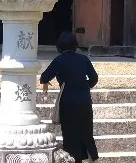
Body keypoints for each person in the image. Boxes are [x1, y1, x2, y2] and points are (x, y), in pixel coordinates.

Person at [40, 31, 99, 162]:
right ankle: (92, 157)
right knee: (86, 131)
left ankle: (74, 159)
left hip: (68, 101)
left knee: (70, 133)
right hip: (84, 100)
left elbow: (44, 77)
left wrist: (45, 82)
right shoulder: (84, 59)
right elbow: (94, 78)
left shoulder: (59, 60)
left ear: (59, 47)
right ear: (75, 46)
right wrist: (84, 86)